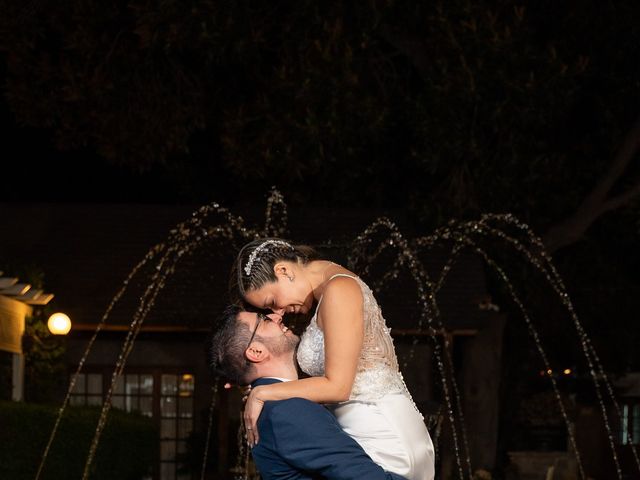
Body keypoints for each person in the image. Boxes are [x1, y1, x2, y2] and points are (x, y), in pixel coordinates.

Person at [231, 238, 435, 480]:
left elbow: (338, 387)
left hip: (384, 436)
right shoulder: (329, 291)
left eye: (272, 302)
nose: (279, 313)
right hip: (361, 433)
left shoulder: (339, 290)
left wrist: (265, 393)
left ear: (283, 271)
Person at [207, 304, 407, 480]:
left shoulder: (275, 402)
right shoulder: (286, 411)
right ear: (257, 351)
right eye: (265, 319)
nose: (277, 316)